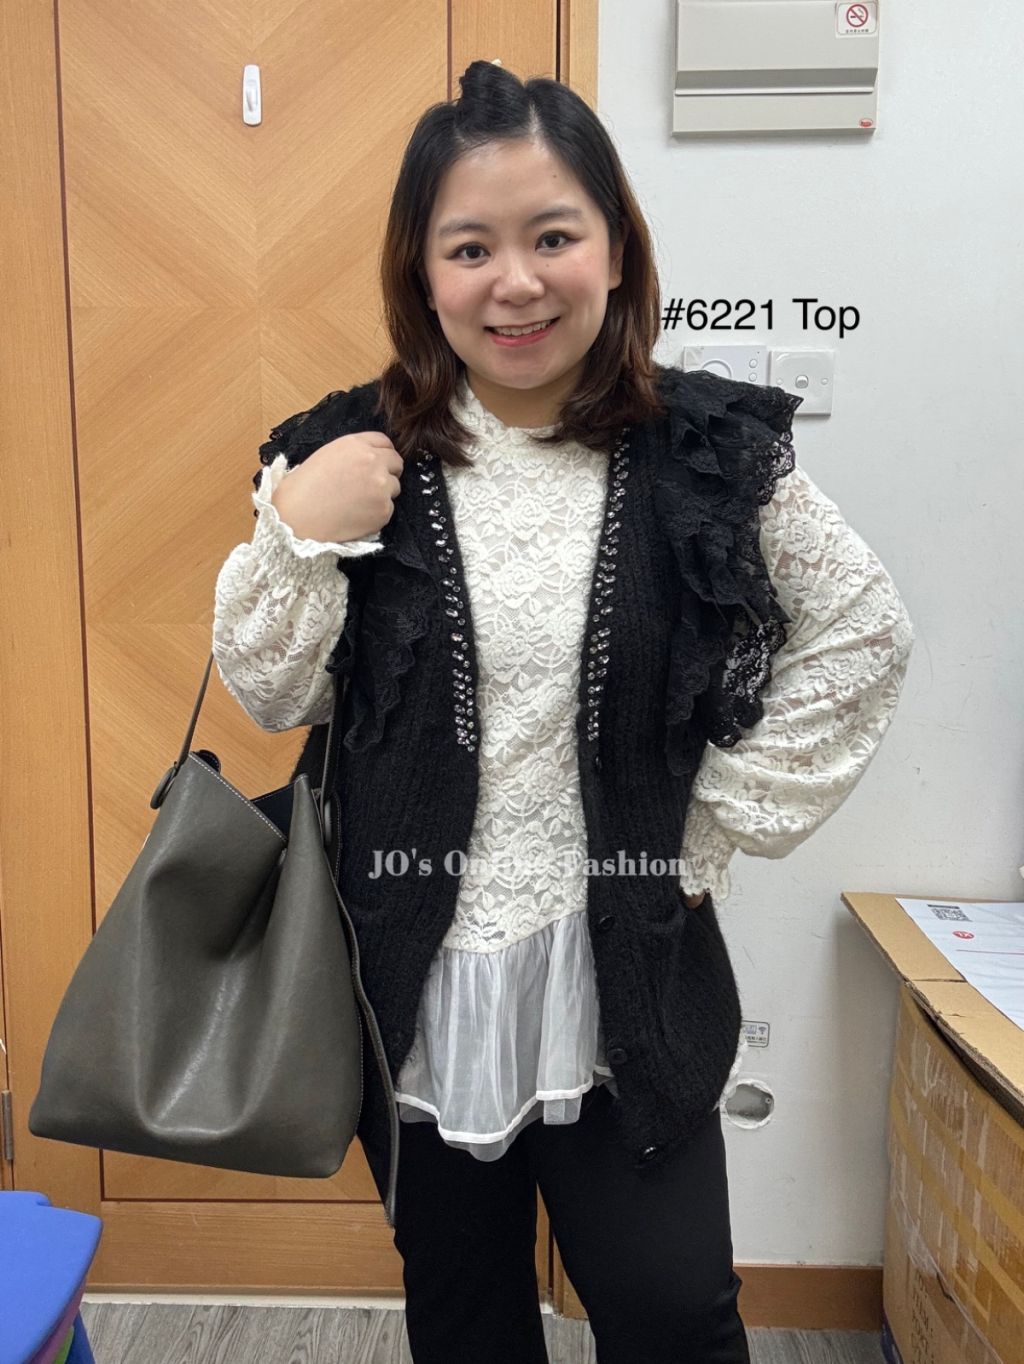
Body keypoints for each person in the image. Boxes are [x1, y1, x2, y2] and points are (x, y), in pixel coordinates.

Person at [212, 60, 914, 1364]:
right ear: (423, 273)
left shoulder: (705, 450)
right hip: (415, 986)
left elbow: (863, 632)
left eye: (552, 236)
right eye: (470, 247)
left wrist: (707, 830)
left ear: (615, 246)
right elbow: (274, 691)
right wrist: (299, 533)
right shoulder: (347, 450)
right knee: (465, 1321)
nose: (516, 282)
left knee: (674, 1315)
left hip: (624, 979)